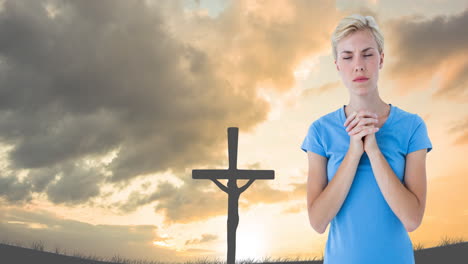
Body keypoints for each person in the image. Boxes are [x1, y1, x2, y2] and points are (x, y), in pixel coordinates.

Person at [300, 14, 433, 264]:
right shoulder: (320, 131)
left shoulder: (412, 127)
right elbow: (318, 222)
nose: (358, 65)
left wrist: (373, 150)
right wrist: (353, 152)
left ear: (381, 59)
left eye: (367, 54)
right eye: (348, 56)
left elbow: (412, 219)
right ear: (338, 65)